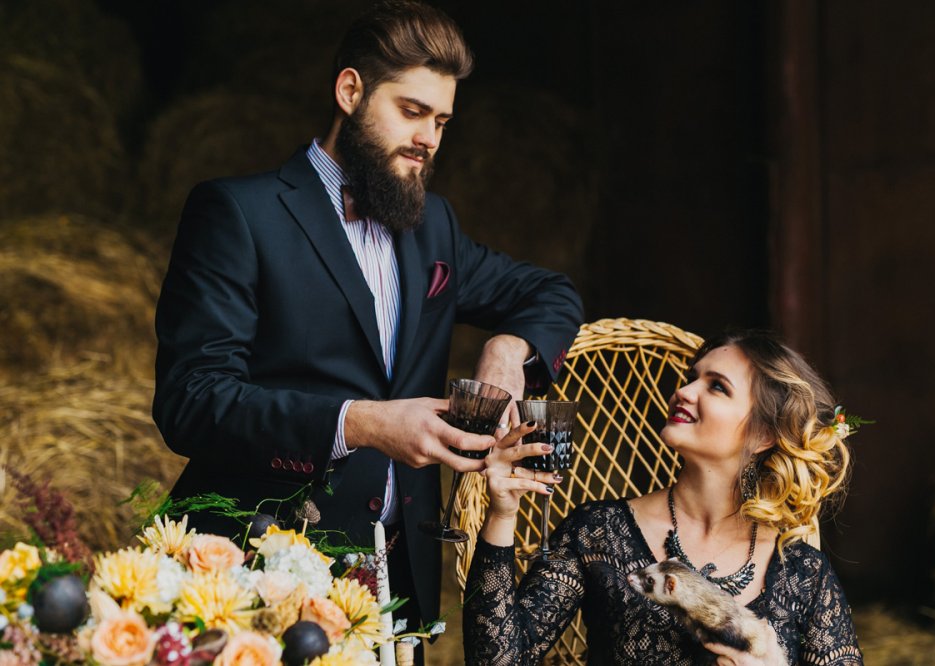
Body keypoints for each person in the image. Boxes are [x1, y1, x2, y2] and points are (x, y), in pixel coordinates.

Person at [151, 0, 583, 654]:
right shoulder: (237, 213)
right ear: (350, 91)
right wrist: (362, 423)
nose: (429, 139)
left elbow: (551, 292)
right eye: (411, 112)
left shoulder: (434, 224)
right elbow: (191, 400)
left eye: (441, 121)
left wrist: (506, 350)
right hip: (246, 572)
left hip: (396, 585)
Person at [463, 331, 864, 665]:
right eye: (692, 378)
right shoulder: (598, 532)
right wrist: (502, 513)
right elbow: (496, 661)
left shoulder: (802, 570)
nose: (684, 391)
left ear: (763, 436)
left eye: (717, 387)